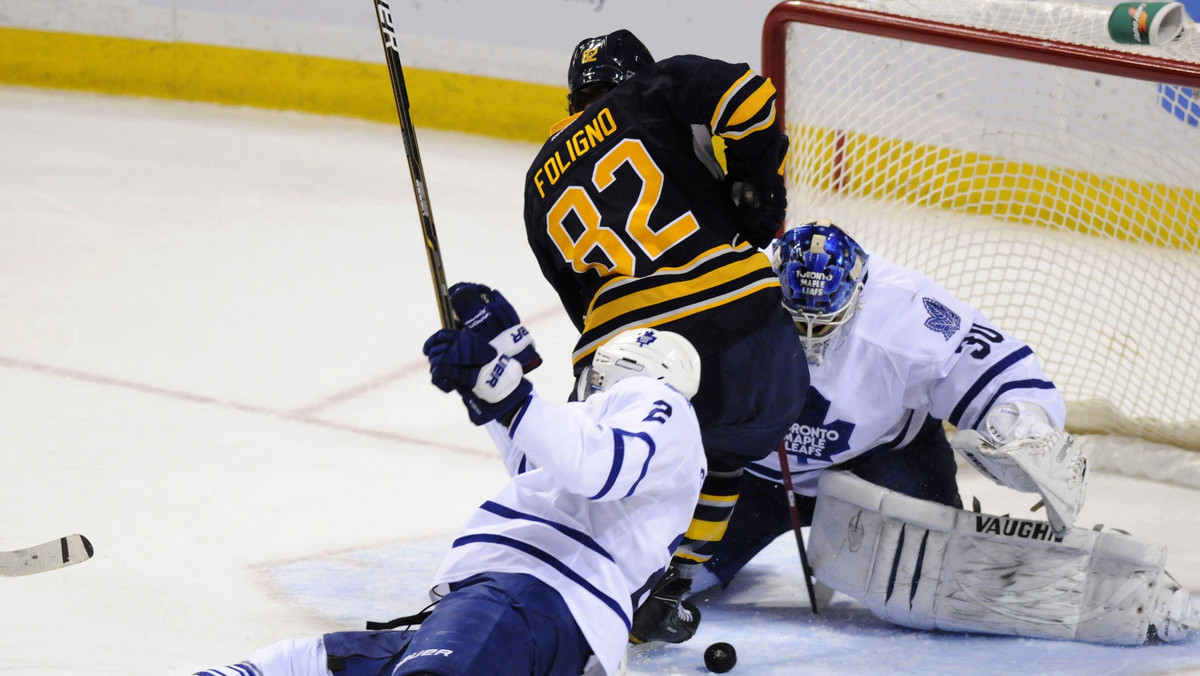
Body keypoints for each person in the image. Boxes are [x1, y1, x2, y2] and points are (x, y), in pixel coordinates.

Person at [691, 221, 1198, 644]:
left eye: (822, 325)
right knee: (670, 576)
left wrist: (1020, 421)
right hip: (745, 475)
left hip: (880, 466)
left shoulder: (908, 312)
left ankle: (1133, 598)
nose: (807, 341)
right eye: (794, 322)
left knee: (947, 582)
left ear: (859, 296)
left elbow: (992, 366)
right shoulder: (722, 294)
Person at [192, 282, 707, 676]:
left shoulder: (656, 404)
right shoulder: (641, 459)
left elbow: (594, 468)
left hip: (527, 595)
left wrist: (502, 385)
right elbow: (544, 466)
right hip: (533, 617)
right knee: (301, 660)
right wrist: (495, 379)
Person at [522, 28, 808, 644]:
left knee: (598, 479)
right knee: (725, 455)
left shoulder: (537, 183)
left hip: (648, 363)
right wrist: (755, 182)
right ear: (638, 73)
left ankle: (594, 584)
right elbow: (747, 96)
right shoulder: (658, 89)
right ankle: (676, 580)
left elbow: (587, 312)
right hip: (763, 352)